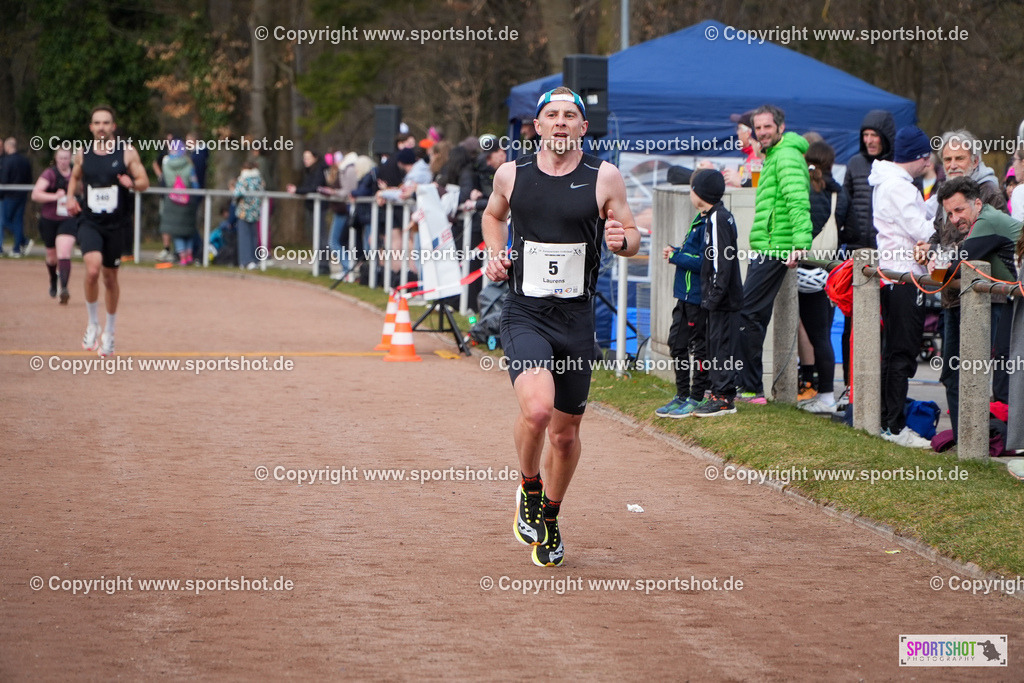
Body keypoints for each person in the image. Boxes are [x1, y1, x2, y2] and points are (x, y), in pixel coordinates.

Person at [482, 86, 639, 567]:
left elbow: (631, 236)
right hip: (526, 311)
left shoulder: (604, 176)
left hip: (575, 317)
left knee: (566, 435)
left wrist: (622, 240)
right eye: (552, 115)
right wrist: (494, 251)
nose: (561, 123)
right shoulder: (512, 174)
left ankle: (550, 517)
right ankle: (530, 487)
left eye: (571, 115)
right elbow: (493, 216)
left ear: (583, 127)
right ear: (538, 125)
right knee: (537, 412)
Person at [920, 177, 1022, 443]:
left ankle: (985, 443)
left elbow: (954, 265)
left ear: (978, 204)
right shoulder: (981, 220)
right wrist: (937, 262)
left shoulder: (986, 222)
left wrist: (935, 264)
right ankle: (972, 441)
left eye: (959, 210)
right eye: (949, 213)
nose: (954, 219)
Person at [734, 104, 813, 403]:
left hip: (776, 248)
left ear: (780, 127)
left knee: (747, 314)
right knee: (751, 315)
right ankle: (750, 387)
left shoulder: (788, 156)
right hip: (767, 246)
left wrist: (800, 243)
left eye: (768, 127)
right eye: (758, 128)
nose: (762, 132)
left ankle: (751, 388)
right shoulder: (773, 157)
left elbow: (797, 201)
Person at [868, 125, 934, 448]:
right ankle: (894, 426)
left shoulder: (889, 182)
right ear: (920, 157)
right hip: (905, 278)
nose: (931, 162)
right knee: (902, 353)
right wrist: (945, 213)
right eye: (929, 157)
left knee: (893, 351)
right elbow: (922, 230)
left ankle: (885, 421)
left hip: (894, 276)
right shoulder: (901, 187)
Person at [66, 105, 149, 357]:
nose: (101, 127)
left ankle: (109, 333)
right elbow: (74, 177)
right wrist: (70, 197)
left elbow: (145, 182)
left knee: (110, 278)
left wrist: (132, 183)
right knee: (92, 269)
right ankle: (93, 323)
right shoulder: (83, 153)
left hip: (116, 224)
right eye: (97, 123)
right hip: (90, 221)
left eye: (106, 123)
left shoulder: (127, 153)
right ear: (91, 127)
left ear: (113, 126)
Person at [837, 110, 895, 407]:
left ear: (886, 137)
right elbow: (844, 202)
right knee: (851, 324)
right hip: (856, 252)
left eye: (875, 135)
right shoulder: (855, 163)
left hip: (886, 255)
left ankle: (877, 392)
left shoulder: (895, 166)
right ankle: (850, 387)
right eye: (866, 135)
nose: (870, 140)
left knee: (884, 324)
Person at [797, 140, 850, 414]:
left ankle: (825, 395)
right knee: (823, 335)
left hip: (801, 267)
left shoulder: (802, 190)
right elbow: (845, 229)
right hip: (827, 270)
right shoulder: (838, 194)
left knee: (815, 335)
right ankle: (826, 392)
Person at [691, 169, 743, 417]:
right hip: (722, 298)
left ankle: (723, 398)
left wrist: (713, 297)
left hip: (723, 300)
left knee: (721, 347)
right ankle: (720, 392)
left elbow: (723, 262)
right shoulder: (716, 215)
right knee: (717, 346)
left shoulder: (718, 218)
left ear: (699, 193)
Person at [655, 184, 708, 418]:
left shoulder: (711, 223)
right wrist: (676, 251)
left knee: (699, 349)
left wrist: (676, 256)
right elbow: (692, 254)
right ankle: (681, 395)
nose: (690, 194)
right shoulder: (699, 218)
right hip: (683, 298)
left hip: (697, 299)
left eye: (693, 189)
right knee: (676, 345)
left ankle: (697, 397)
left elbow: (703, 262)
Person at [31, 148, 78, 303]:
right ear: (56, 159)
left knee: (64, 252)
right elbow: (35, 194)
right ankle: (53, 279)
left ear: (70, 158)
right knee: (52, 257)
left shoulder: (76, 175)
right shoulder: (50, 174)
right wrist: (54, 196)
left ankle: (63, 288)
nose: (64, 161)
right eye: (61, 158)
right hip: (49, 219)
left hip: (68, 219)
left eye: (66, 158)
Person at [159, 139, 199, 265]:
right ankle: (189, 256)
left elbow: (165, 180)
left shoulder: (166, 164)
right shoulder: (189, 164)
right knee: (187, 229)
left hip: (172, 200)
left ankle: (181, 257)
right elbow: (195, 183)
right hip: (187, 200)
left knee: (176, 231)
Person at [0, 137, 34, 257]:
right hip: (22, 195)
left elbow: (4, 180)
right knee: (18, 221)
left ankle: (23, 240)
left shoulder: (7, 161)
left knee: (5, 221)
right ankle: (16, 249)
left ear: (8, 147)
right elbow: (30, 178)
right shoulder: (25, 160)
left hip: (9, 195)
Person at [234, 161, 265, 270]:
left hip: (244, 211)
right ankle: (255, 259)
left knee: (244, 237)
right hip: (255, 211)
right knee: (253, 236)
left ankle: (246, 260)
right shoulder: (259, 179)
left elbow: (237, 193)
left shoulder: (243, 179)